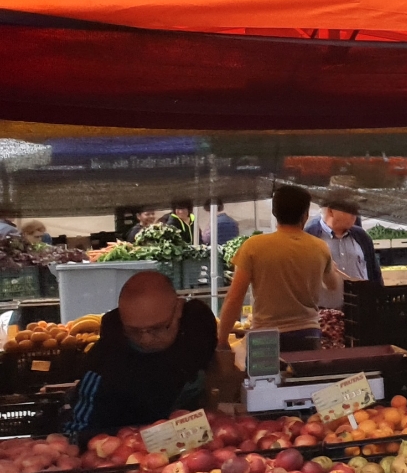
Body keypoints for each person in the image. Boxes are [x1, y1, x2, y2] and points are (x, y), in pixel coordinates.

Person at [64, 271, 221, 441]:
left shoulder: (198, 330)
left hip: (198, 449)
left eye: (157, 329)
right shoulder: (105, 364)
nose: (145, 339)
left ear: (178, 310)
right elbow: (75, 433)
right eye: (134, 331)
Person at [217, 185, 341, 339]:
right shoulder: (320, 247)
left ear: (275, 213)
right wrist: (333, 270)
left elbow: (234, 297)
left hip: (266, 336)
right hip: (308, 334)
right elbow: (333, 285)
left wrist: (222, 340)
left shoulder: (253, 246)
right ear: (305, 215)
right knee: (304, 364)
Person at [306, 191, 384, 309]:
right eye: (349, 208)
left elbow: (375, 275)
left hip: (361, 312)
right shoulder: (310, 236)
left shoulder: (362, 237)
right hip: (324, 317)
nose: (355, 213)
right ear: (331, 211)